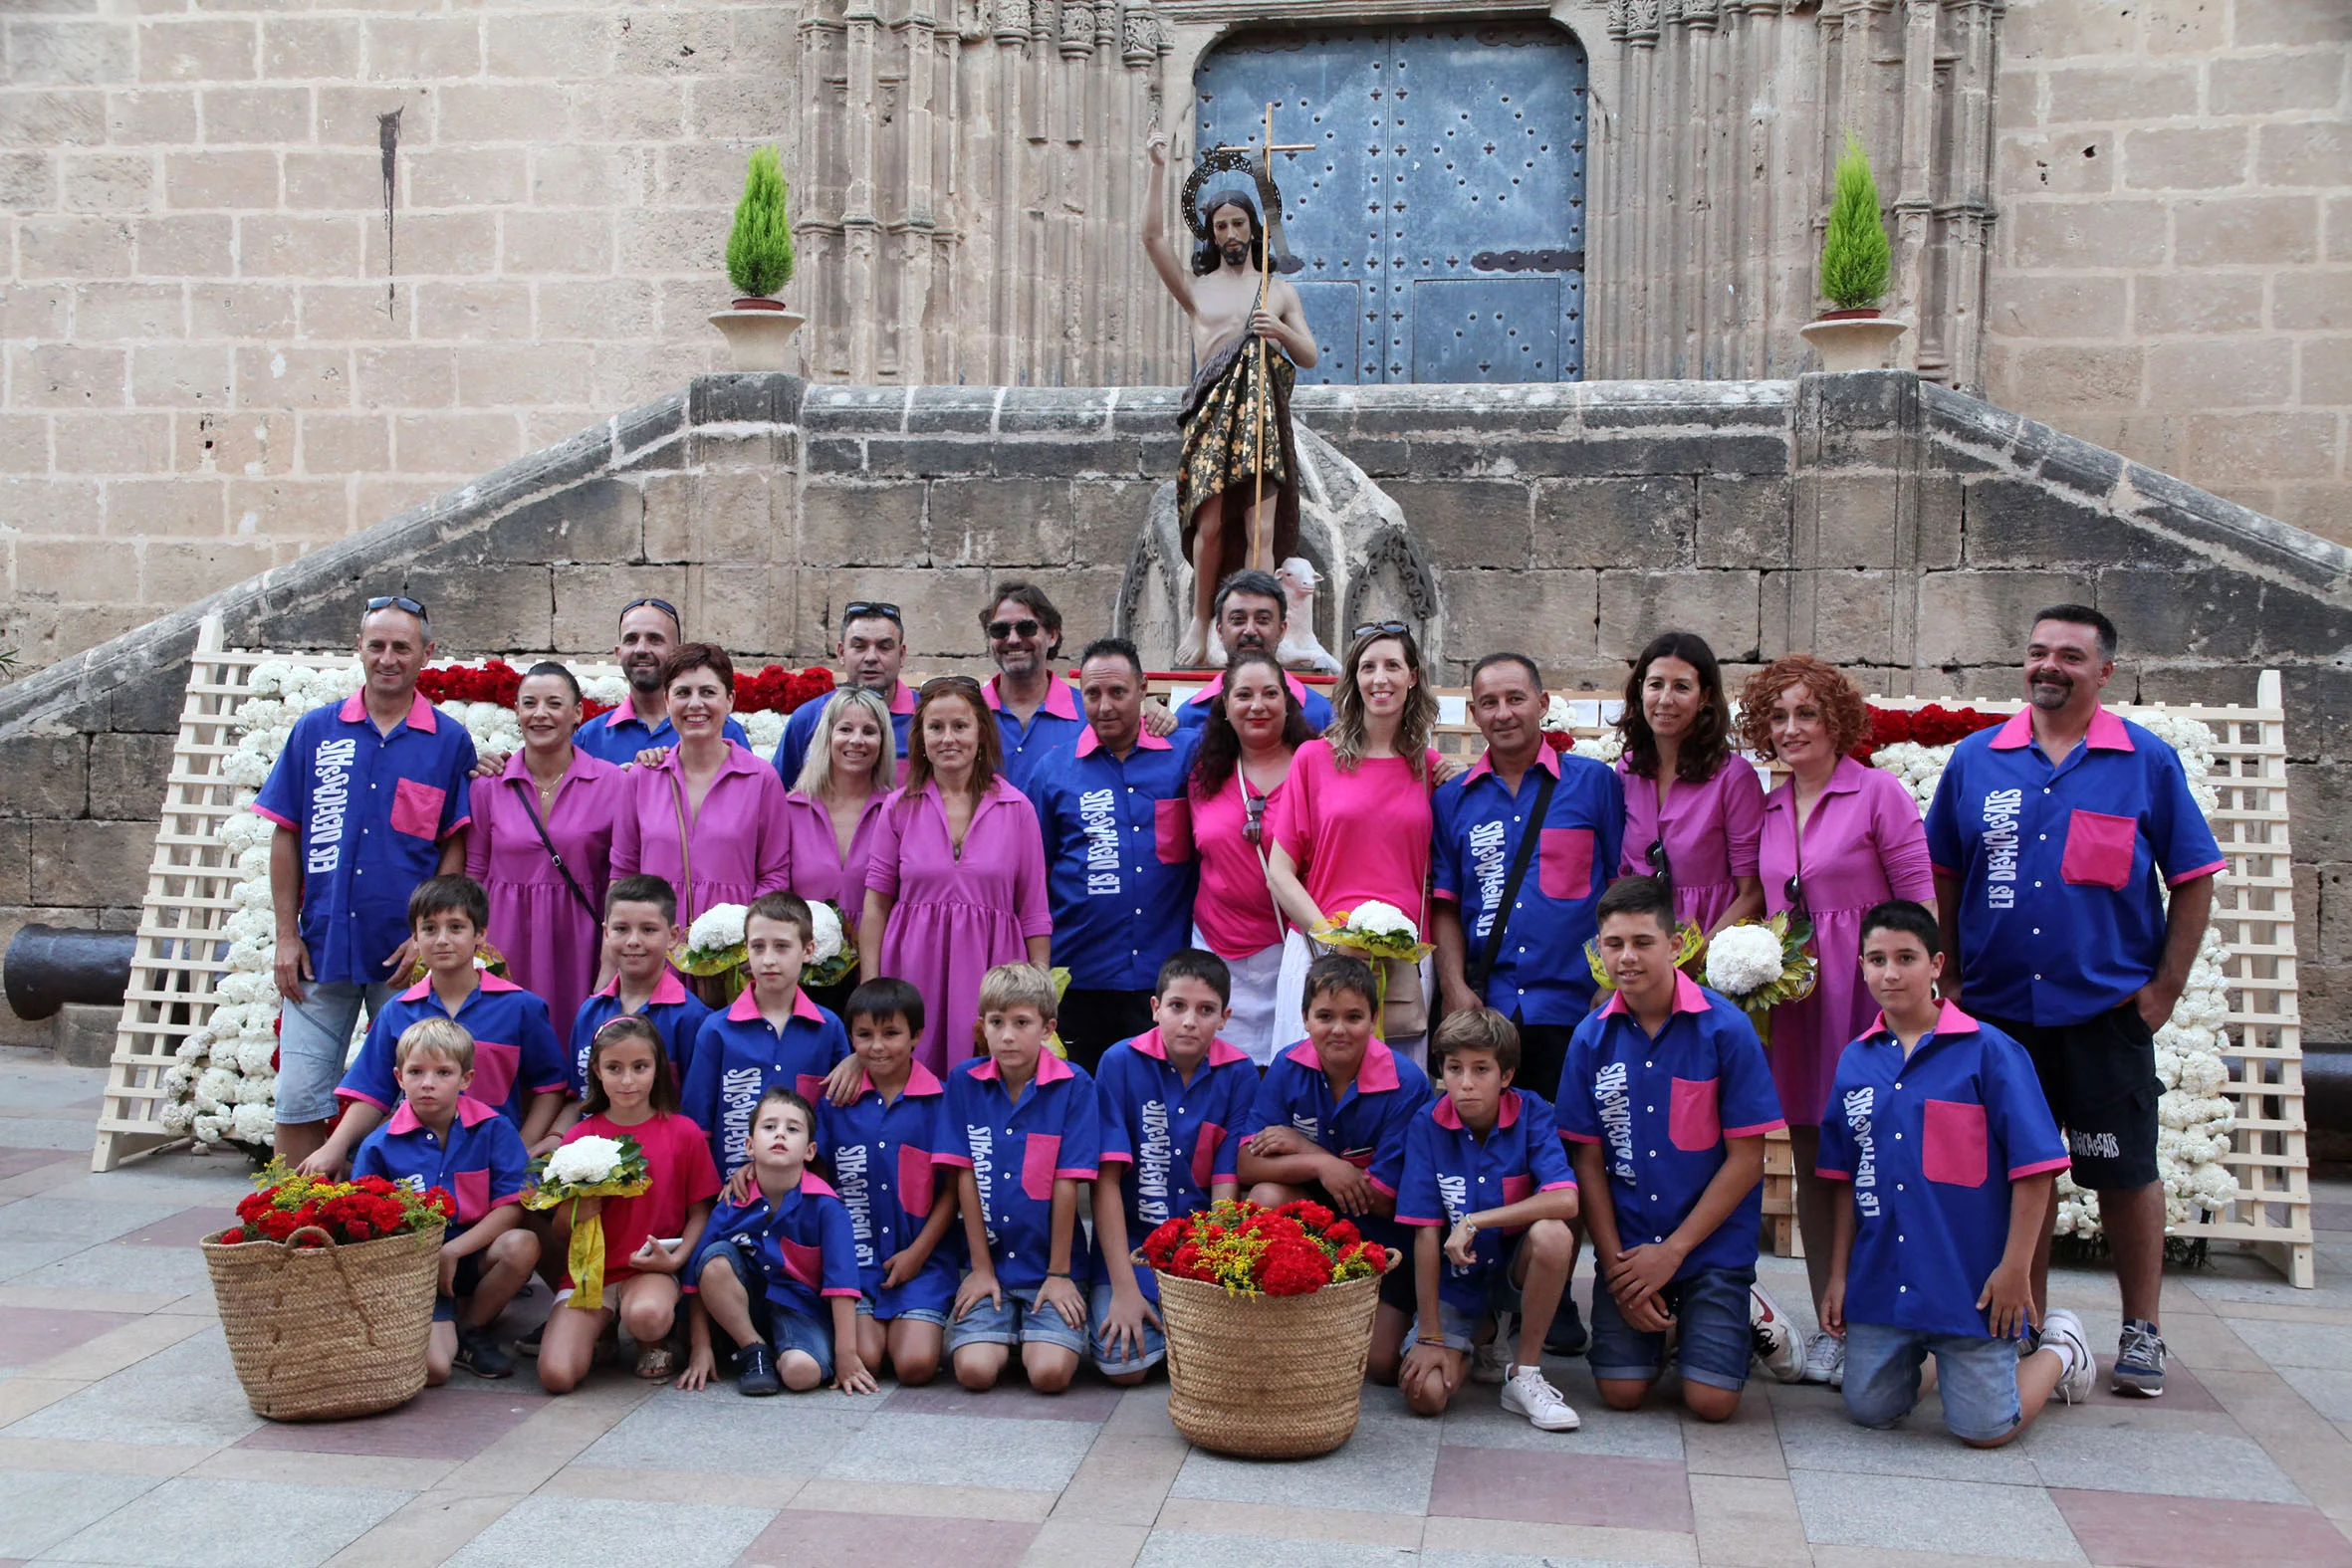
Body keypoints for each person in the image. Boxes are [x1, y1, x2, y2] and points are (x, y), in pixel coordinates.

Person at [1925, 604, 2225, 1399]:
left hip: (2102, 1013)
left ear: (2103, 671)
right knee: (2009, 1172)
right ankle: (2028, 1327)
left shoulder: (2145, 763)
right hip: (1996, 1015)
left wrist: (2162, 991)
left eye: (2068, 654)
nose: (2048, 666)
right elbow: (1944, 872)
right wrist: (1947, 980)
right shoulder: (1978, 759)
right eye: (2036, 652)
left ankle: (2142, 1328)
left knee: (2123, 1171)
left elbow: (2193, 876)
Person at [1732, 654, 1937, 1385]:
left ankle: (1908, 1315)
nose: (1791, 728)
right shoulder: (1770, 806)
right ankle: (1833, 1322)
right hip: (1802, 1005)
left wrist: (1916, 1002)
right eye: (1778, 716)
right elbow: (1761, 900)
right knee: (1822, 1164)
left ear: (1837, 721)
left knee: (1891, 1160)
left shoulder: (1878, 793)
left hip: (1870, 998)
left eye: (1806, 713)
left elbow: (1919, 905)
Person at [1818, 901, 2096, 1439]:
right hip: (1884, 1283)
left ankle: (2063, 1350)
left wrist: (2014, 1268)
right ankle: (1932, 1358)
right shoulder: (1856, 1060)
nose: (1891, 973)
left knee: (1986, 1428)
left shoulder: (1990, 1052)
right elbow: (1844, 1177)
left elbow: (2035, 1169)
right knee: (1869, 1410)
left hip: (1967, 1285)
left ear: (1937, 964)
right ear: (1861, 967)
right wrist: (1838, 1276)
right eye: (1876, 959)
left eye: (1906, 957)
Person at [1557, 877, 1796, 1422]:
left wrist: (1674, 1253)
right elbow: (1588, 1162)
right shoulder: (1589, 1039)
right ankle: (1675, 1330)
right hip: (1633, 1248)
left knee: (1711, 1405)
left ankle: (1743, 1312)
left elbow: (1745, 1159)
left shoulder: (1727, 1031)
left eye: (1643, 942)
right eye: (1613, 944)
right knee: (1621, 1394)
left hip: (1708, 1246)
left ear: (1676, 944)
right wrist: (1619, 1270)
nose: (1627, 958)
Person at [253, 592, 476, 1170]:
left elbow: (454, 841)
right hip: (320, 949)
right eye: (376, 644)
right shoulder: (315, 732)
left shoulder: (447, 742)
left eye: (402, 647)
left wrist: (427, 934)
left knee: (413, 1097)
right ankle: (287, 1225)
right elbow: (286, 834)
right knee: (299, 1096)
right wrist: (285, 935)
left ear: (427, 654)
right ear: (359, 649)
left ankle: (394, 1228)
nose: (387, 657)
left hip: (401, 955)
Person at [1141, 130, 1319, 668]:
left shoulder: (1278, 290)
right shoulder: (1198, 289)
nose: (1230, 233)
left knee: (1258, 528)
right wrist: (1155, 169)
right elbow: (1151, 238)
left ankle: (1264, 626)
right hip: (1213, 415)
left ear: (1253, 227)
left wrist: (1279, 332)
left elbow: (1308, 354)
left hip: (1261, 416)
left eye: (1239, 223)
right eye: (1220, 226)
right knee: (1211, 522)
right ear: (1211, 233)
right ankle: (1203, 622)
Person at [1369, 1008, 1582, 1432]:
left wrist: (1476, 1220)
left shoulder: (1532, 1112)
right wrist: (1429, 1335)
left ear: (1505, 1075)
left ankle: (1525, 1375)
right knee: (1424, 1396)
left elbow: (1565, 1199)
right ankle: (1482, 1333)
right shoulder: (1427, 1124)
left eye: (1481, 1069)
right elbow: (1425, 1232)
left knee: (1553, 1235)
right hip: (1456, 1284)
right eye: (1454, 1068)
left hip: (1513, 1271)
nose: (1465, 1083)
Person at [1432, 652, 1626, 1101]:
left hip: (1578, 1006)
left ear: (1542, 703)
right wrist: (1453, 988)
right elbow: (1445, 902)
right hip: (1490, 1010)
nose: (1503, 713)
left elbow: (1621, 890)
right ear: (1473, 714)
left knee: (1580, 1147)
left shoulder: (1595, 784)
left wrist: (1610, 984)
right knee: (1494, 1151)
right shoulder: (1451, 802)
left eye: (1515, 698)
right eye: (1489, 702)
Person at [305, 874, 567, 1177]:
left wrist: (519, 1150)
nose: (441, 939)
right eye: (429, 929)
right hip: (414, 1166)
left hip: (491, 1163)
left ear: (480, 933)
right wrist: (334, 1147)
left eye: (456, 927)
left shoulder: (521, 1007)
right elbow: (372, 1092)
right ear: (414, 938)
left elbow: (550, 1087)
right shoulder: (397, 1012)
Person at [1265, 622, 1444, 1054]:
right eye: (1368, 667)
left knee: (1393, 1096)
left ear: (1413, 676)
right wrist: (1330, 938)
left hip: (1402, 961)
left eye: (1392, 666)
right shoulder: (1314, 759)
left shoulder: (1430, 769)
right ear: (1354, 678)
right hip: (1320, 951)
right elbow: (1280, 872)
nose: (1380, 678)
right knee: (1309, 1093)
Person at [859, 677, 1053, 1076]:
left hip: (990, 970)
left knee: (986, 1077)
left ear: (981, 732)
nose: (948, 738)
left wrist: (1039, 996)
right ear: (920, 736)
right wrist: (870, 988)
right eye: (936, 727)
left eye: (960, 726)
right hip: (912, 968)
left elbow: (1033, 910)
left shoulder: (1017, 809)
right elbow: (876, 905)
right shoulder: (897, 808)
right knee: (912, 1077)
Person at [1087, 950, 1258, 1385]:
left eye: (1206, 1010)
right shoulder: (1118, 1063)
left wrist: (1211, 1272)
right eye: (1177, 1006)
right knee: (1122, 1368)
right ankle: (1158, 1323)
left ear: (1225, 1017)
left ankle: (1180, 1332)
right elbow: (1105, 1183)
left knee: (1220, 1360)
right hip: (1132, 1247)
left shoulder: (1239, 1072)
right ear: (1155, 1008)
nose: (1189, 1021)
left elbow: (1226, 1180)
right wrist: (1124, 1289)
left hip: (1197, 1243)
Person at [1033, 638, 1202, 1071]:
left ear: (1144, 688)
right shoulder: (1054, 770)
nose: (1105, 706)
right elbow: (1035, 872)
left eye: (1118, 692)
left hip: (1164, 979)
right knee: (1079, 1100)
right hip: (1079, 977)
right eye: (1093, 694)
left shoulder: (1187, 756)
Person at [936, 964, 1102, 1394]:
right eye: (997, 1023)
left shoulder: (1074, 1085)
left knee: (1049, 1376)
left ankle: (1032, 1334)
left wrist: (1060, 1273)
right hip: (988, 1264)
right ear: (983, 1026)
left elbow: (1069, 1182)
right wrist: (979, 1269)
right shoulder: (963, 1083)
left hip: (1050, 1266)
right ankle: (1004, 1330)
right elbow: (964, 1177)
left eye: (1021, 1023)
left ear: (1047, 1028)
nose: (1007, 1035)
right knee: (974, 1373)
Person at [351, 1016, 539, 1383]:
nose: (428, 1084)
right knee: (435, 1370)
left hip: (475, 1251)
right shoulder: (379, 1144)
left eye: (443, 1073)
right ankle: (441, 1322)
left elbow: (512, 1206)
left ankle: (471, 1328)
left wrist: (452, 1252)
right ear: (399, 1077)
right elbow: (365, 1223)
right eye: (416, 1072)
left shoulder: (493, 1128)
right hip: (415, 1267)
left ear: (466, 1079)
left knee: (522, 1244)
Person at [539, 1015, 721, 1392]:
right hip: (589, 1273)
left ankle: (653, 1342)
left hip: (650, 1269)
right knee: (557, 1376)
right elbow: (558, 1230)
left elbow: (701, 1210)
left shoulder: (682, 1132)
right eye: (614, 1068)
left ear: (658, 1068)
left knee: (648, 1316)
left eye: (640, 1067)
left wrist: (677, 1258)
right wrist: (576, 1211)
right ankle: (601, 1332)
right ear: (596, 1070)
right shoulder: (578, 1136)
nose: (627, 1081)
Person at [465, 661, 623, 1050]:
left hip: (580, 937)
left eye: (554, 703)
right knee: (504, 1045)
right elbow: (474, 872)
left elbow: (623, 870)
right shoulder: (489, 784)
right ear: (517, 712)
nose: (540, 713)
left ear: (577, 713)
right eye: (529, 703)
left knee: (578, 1043)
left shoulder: (613, 782)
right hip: (507, 936)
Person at [678, 1087, 873, 1397]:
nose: (780, 1134)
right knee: (714, 1261)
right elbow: (695, 1277)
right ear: (750, 1145)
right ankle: (753, 1349)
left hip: (800, 1309)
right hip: (744, 1308)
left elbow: (842, 1284)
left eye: (792, 1129)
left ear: (809, 1151)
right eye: (769, 1127)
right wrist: (700, 1347)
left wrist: (846, 1355)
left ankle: (781, 1354)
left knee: (802, 1374)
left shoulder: (827, 1207)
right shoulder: (733, 1201)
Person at [815, 978, 958, 1388]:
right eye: (864, 1035)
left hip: (922, 1264)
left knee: (915, 1365)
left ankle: (913, 1319)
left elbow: (952, 1191)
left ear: (916, 1036)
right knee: (867, 1359)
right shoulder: (836, 1101)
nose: (877, 1046)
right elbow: (822, 1181)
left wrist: (917, 1252)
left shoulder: (940, 1101)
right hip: (856, 1261)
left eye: (891, 1034)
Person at [1235, 954, 1430, 1256]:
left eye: (1353, 1017)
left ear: (1374, 1019)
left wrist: (1306, 1147)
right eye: (1325, 1016)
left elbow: (1383, 1199)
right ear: (1305, 1018)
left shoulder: (1406, 1082)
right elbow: (1247, 1165)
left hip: (1380, 1230)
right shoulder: (1287, 1065)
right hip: (1309, 1211)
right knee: (1264, 1196)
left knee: (1378, 1304)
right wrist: (1321, 1165)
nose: (1339, 1029)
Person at [1184, 649, 1313, 1064]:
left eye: (1270, 693)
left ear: (1287, 701)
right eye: (1244, 695)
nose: (1257, 705)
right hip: (1217, 953)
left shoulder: (1317, 764)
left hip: (1295, 952)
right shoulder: (1200, 771)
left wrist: (1439, 766)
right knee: (1224, 1078)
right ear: (1224, 704)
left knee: (1293, 1073)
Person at [609, 643, 794, 926]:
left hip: (733, 952)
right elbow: (622, 873)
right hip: (655, 946)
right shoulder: (642, 777)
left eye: (708, 692)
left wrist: (747, 939)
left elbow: (775, 874)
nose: (695, 704)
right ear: (667, 701)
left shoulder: (760, 779)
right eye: (683, 692)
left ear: (730, 700)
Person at [679, 892, 851, 1178]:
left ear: (808, 950)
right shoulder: (717, 1030)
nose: (768, 959)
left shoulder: (828, 1027)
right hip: (733, 1197)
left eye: (782, 946)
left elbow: (841, 1115)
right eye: (758, 947)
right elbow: (698, 1124)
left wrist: (857, 1062)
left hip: (807, 1195)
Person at [1614, 631, 1764, 937]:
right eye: (1656, 684)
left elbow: (1753, 893)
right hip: (1641, 949)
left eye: (1681, 687)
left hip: (1712, 949)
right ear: (1641, 689)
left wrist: (1698, 956)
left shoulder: (1733, 778)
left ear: (1704, 697)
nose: (1665, 699)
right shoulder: (1627, 771)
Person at [782, 686, 896, 1014]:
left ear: (883, 741)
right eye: (845, 729)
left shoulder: (898, 811)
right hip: (803, 975)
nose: (857, 740)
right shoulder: (790, 809)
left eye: (869, 731)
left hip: (879, 969)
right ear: (826, 736)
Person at [563, 875, 711, 1114]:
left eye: (648, 930)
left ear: (673, 936)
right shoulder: (589, 1012)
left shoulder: (692, 1018)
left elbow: (696, 1109)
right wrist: (554, 1138)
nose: (633, 941)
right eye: (621, 929)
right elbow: (577, 1099)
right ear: (606, 932)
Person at [572, 595, 751, 764]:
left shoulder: (723, 729)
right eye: (631, 640)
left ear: (677, 652)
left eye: (655, 639)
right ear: (618, 653)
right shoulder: (590, 737)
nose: (641, 649)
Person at [769, 599, 917, 786]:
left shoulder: (927, 718)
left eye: (884, 647)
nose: (871, 657)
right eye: (859, 646)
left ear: (902, 655)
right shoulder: (808, 718)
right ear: (841, 653)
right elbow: (777, 795)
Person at [1171, 570, 1335, 731]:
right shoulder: (1189, 716)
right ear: (1219, 631)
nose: (1250, 630)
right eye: (1238, 620)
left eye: (1263, 620)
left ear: (1282, 630)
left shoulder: (1320, 713)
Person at [974, 582, 1088, 797]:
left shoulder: (1088, 716)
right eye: (1000, 630)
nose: (1014, 639)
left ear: (1052, 635)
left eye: (1027, 628)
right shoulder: (967, 714)